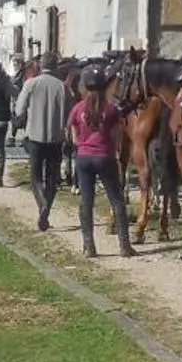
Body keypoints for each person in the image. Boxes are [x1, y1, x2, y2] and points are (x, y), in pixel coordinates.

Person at [67, 62, 134, 259]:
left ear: (85, 86)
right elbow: (117, 136)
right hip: (105, 156)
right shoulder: (112, 110)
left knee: (86, 201)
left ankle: (89, 246)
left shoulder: (77, 108)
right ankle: (124, 245)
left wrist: (84, 144)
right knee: (116, 199)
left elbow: (73, 138)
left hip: (84, 157)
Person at [14, 53, 68, 229]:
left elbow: (19, 109)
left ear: (40, 66)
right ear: (55, 67)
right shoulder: (62, 87)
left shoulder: (31, 83)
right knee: (52, 177)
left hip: (35, 136)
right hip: (56, 138)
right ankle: (48, 208)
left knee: (35, 175)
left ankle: (42, 205)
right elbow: (69, 114)